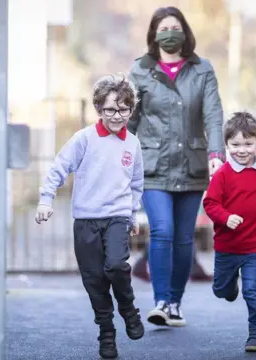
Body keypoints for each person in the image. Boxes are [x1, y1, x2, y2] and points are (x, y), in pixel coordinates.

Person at [127, 6, 225, 327]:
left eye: (175, 26)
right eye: (163, 28)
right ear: (154, 35)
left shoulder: (202, 70)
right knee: (162, 231)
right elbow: (131, 119)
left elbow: (212, 113)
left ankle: (175, 303)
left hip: (192, 165)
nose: (170, 32)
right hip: (152, 165)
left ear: (184, 31)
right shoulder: (140, 70)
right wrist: (119, 156)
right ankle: (160, 301)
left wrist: (215, 153)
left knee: (184, 239)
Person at [35, 74, 145, 359]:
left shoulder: (132, 143)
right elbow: (59, 168)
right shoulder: (83, 139)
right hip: (86, 219)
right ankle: (107, 332)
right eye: (110, 109)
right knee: (94, 280)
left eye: (123, 109)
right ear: (99, 108)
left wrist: (133, 214)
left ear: (131, 110)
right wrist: (46, 199)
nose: (117, 115)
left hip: (118, 217)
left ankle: (128, 308)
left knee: (117, 266)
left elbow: (136, 183)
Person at [202, 111, 256, 352]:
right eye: (235, 144)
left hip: (254, 247)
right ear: (227, 144)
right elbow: (210, 204)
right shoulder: (222, 175)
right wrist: (226, 218)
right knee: (221, 290)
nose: (242, 150)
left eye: (248, 144)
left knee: (253, 290)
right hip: (227, 247)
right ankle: (230, 286)